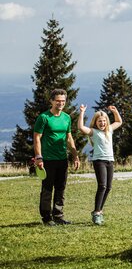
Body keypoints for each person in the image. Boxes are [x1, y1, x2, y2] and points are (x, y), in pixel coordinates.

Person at [34, 88, 80, 226]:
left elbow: (69, 137)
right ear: (51, 101)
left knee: (61, 188)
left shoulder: (66, 117)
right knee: (47, 188)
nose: (60, 103)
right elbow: (37, 138)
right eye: (58, 101)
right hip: (47, 159)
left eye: (63, 101)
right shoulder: (44, 118)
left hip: (62, 159)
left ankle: (58, 215)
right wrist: (39, 157)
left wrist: (75, 156)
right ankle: (47, 218)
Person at [78, 105, 122, 225]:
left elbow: (118, 121)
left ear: (106, 122)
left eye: (104, 121)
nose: (102, 123)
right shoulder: (94, 132)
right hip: (99, 161)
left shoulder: (109, 130)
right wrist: (82, 112)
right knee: (102, 186)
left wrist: (115, 111)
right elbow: (81, 127)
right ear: (95, 122)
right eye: (99, 121)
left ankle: (99, 211)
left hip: (110, 161)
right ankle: (97, 212)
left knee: (108, 187)